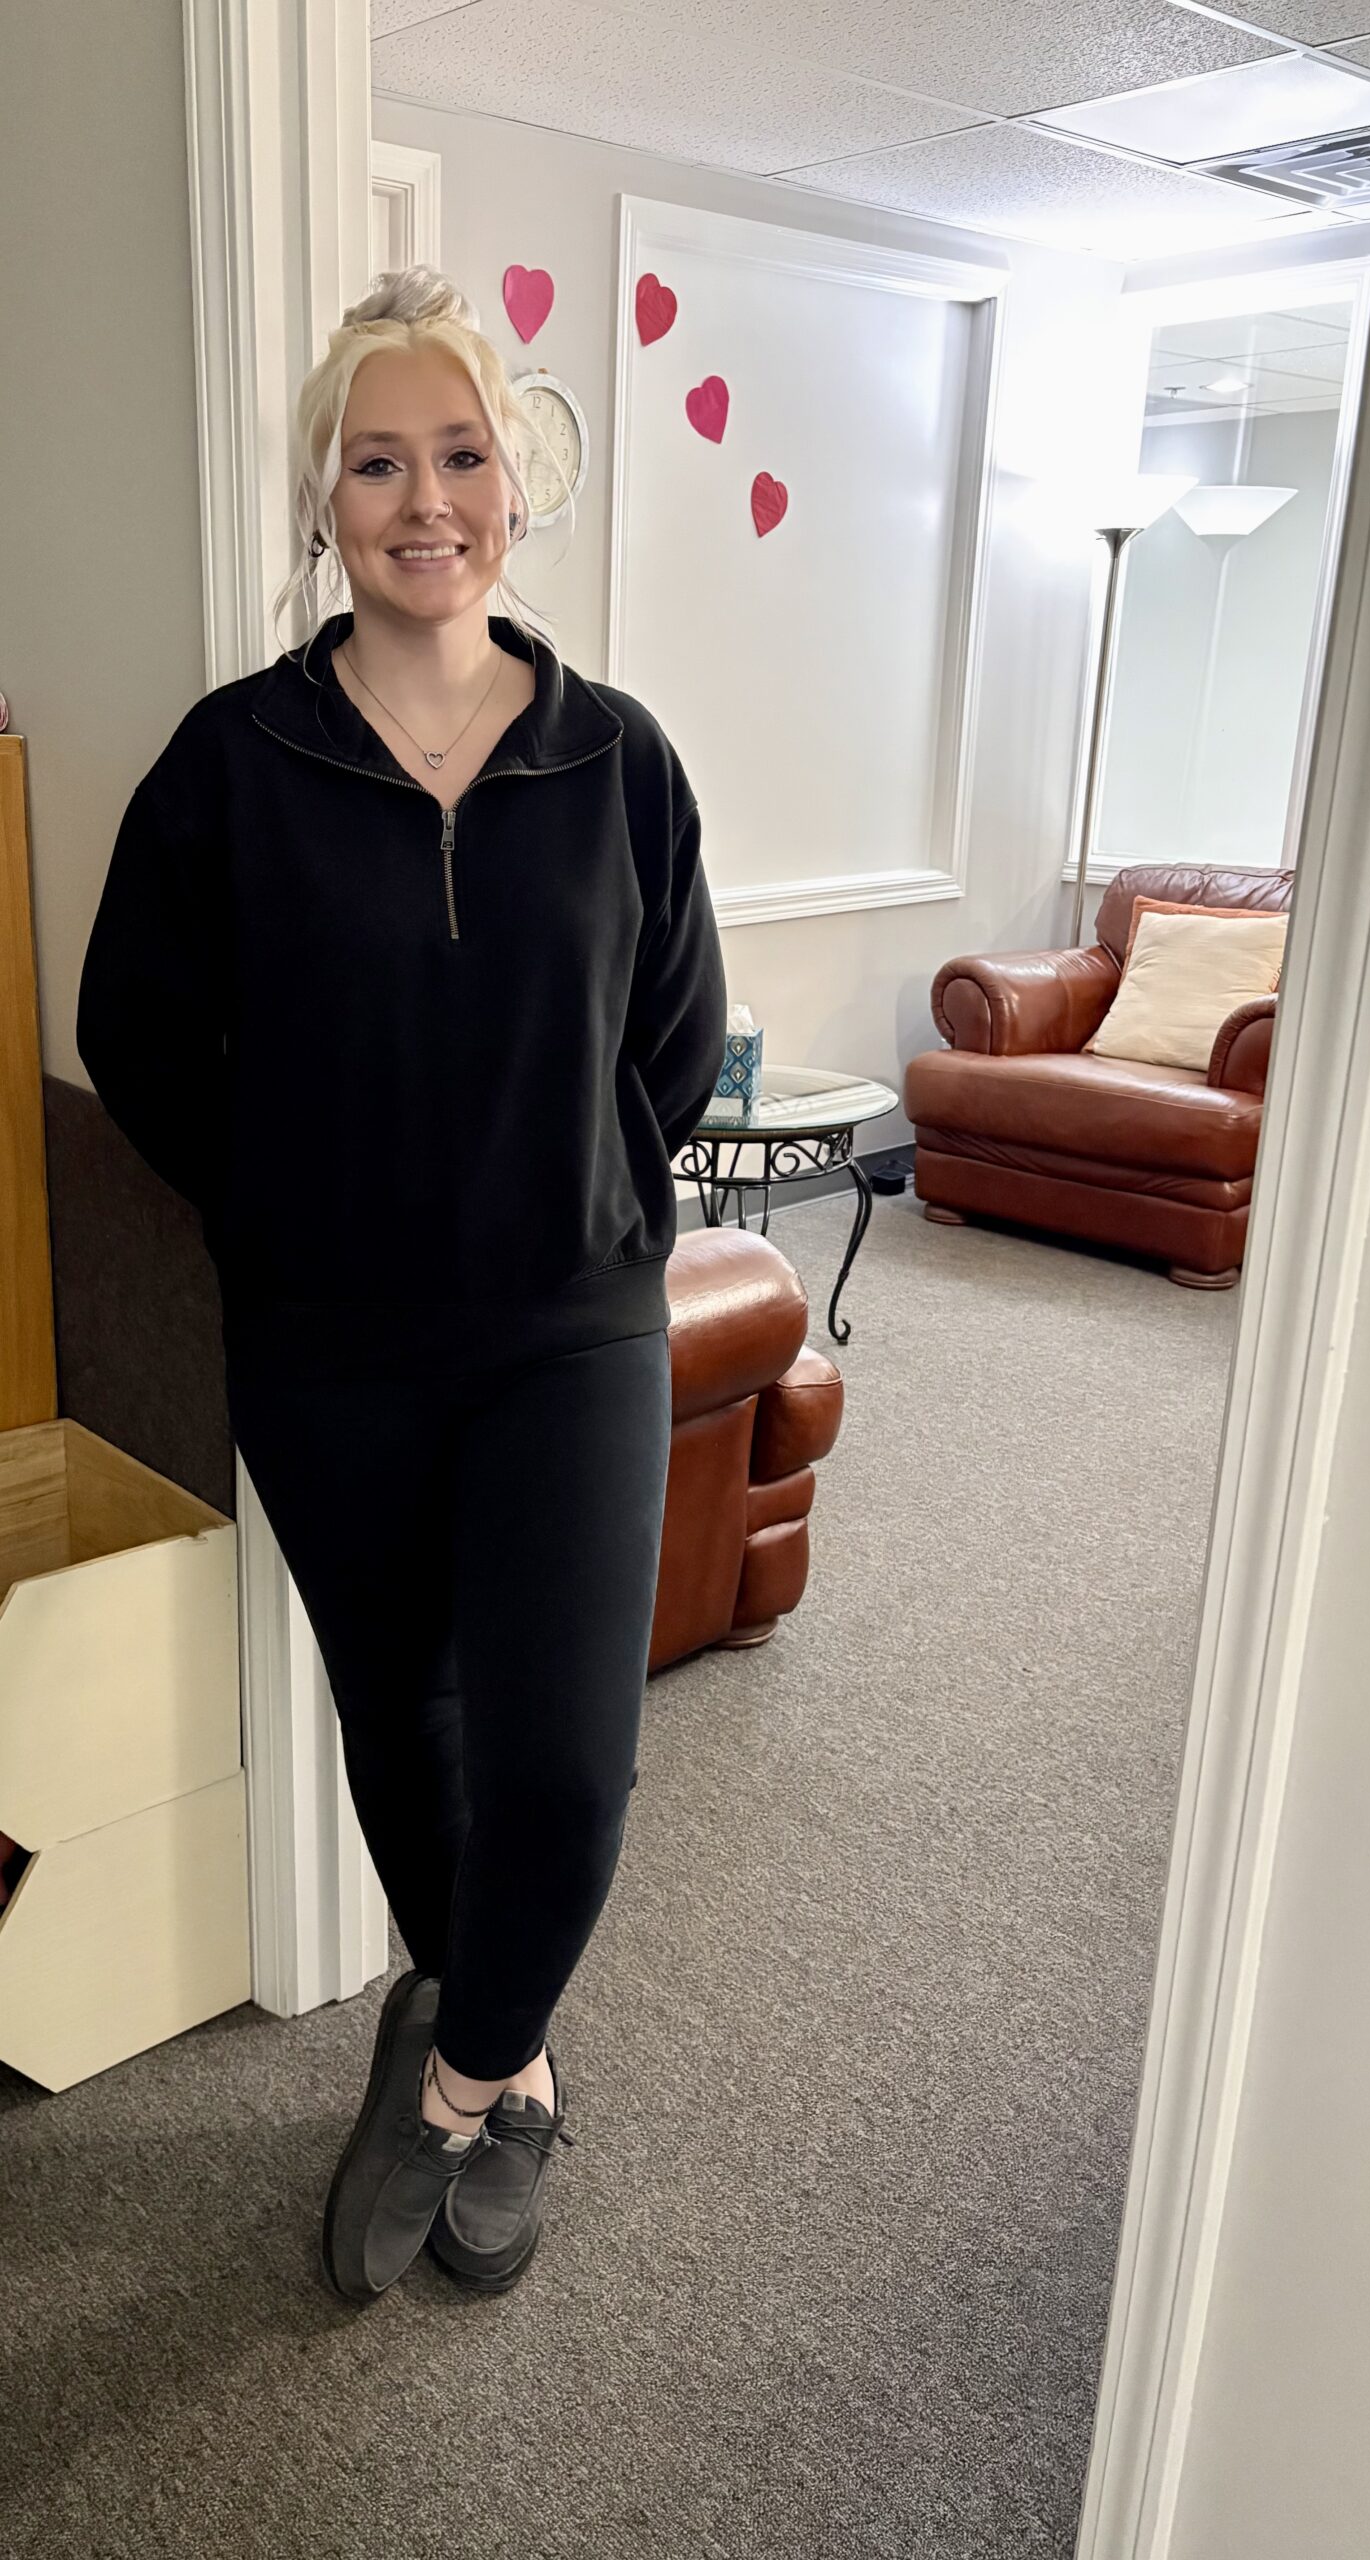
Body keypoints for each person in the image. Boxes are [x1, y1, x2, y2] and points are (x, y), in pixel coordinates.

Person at [76, 266, 729, 2305]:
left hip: (568, 1327)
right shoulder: (232, 763)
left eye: (458, 455)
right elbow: (138, 1030)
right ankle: (502, 2044)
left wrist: (592, 1190)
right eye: (376, 460)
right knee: (408, 1719)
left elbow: (677, 1030)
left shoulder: (613, 760)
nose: (420, 498)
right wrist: (285, 1206)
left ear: (512, 493)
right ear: (324, 501)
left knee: (562, 1759)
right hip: (330, 1340)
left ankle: (459, 2077)